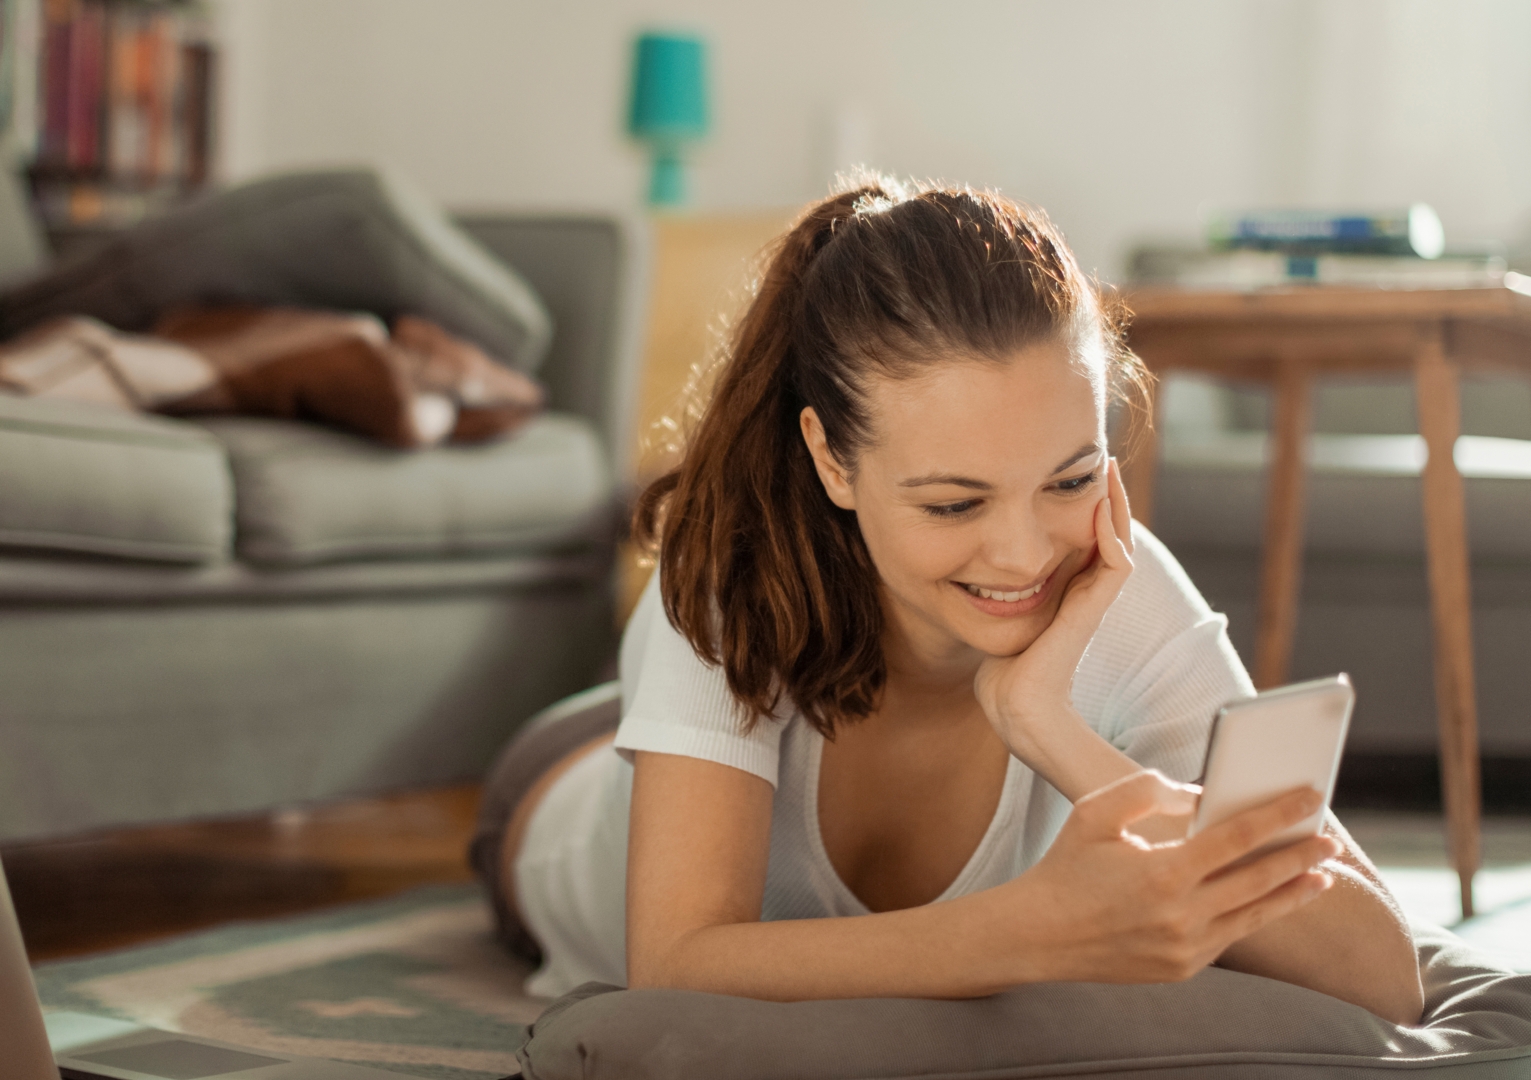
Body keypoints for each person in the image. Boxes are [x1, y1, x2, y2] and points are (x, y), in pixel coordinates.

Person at [471, 176, 1425, 1025]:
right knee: (618, 750)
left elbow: (1382, 978)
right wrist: (1026, 934)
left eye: (1069, 478)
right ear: (830, 458)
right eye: (954, 502)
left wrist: (1057, 732)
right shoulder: (734, 575)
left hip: (702, 720)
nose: (1023, 554)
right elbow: (674, 964)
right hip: (556, 793)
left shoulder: (1115, 582)